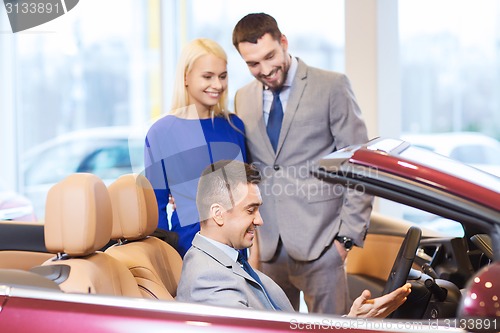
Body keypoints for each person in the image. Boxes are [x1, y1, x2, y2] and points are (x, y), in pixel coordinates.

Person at [231, 13, 373, 314]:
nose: (265, 69)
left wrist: (344, 240)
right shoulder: (242, 98)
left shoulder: (332, 85)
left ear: (284, 42)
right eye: (253, 63)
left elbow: (361, 164)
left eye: (270, 56)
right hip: (268, 247)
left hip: (322, 245)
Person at [176, 160, 411, 317]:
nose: (260, 221)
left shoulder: (226, 258)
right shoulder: (208, 278)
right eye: (250, 210)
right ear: (218, 214)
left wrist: (350, 320)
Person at [144, 38, 247, 258]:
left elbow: (248, 194)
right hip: (187, 250)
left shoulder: (234, 126)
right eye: (207, 76)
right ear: (186, 77)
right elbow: (156, 208)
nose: (217, 85)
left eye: (222, 76)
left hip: (237, 252)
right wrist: (165, 263)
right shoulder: (161, 132)